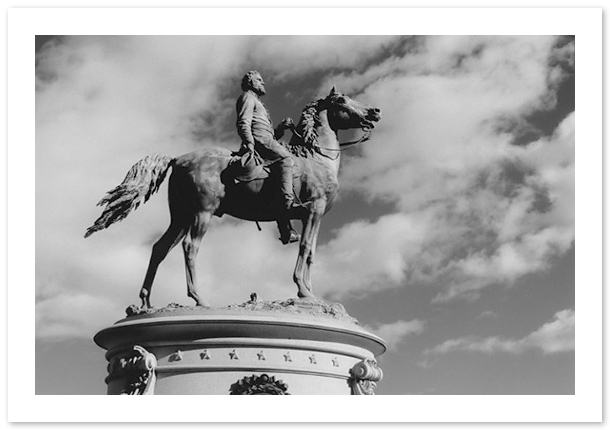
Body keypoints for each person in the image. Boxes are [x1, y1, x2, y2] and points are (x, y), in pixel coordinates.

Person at [236, 70, 300, 244]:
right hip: (258, 140)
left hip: (266, 139)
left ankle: (284, 225)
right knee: (286, 159)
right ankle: (287, 202)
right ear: (250, 83)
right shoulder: (247, 98)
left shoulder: (258, 103)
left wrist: (280, 128)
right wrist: (249, 142)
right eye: (259, 80)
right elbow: (244, 122)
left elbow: (270, 134)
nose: (263, 83)